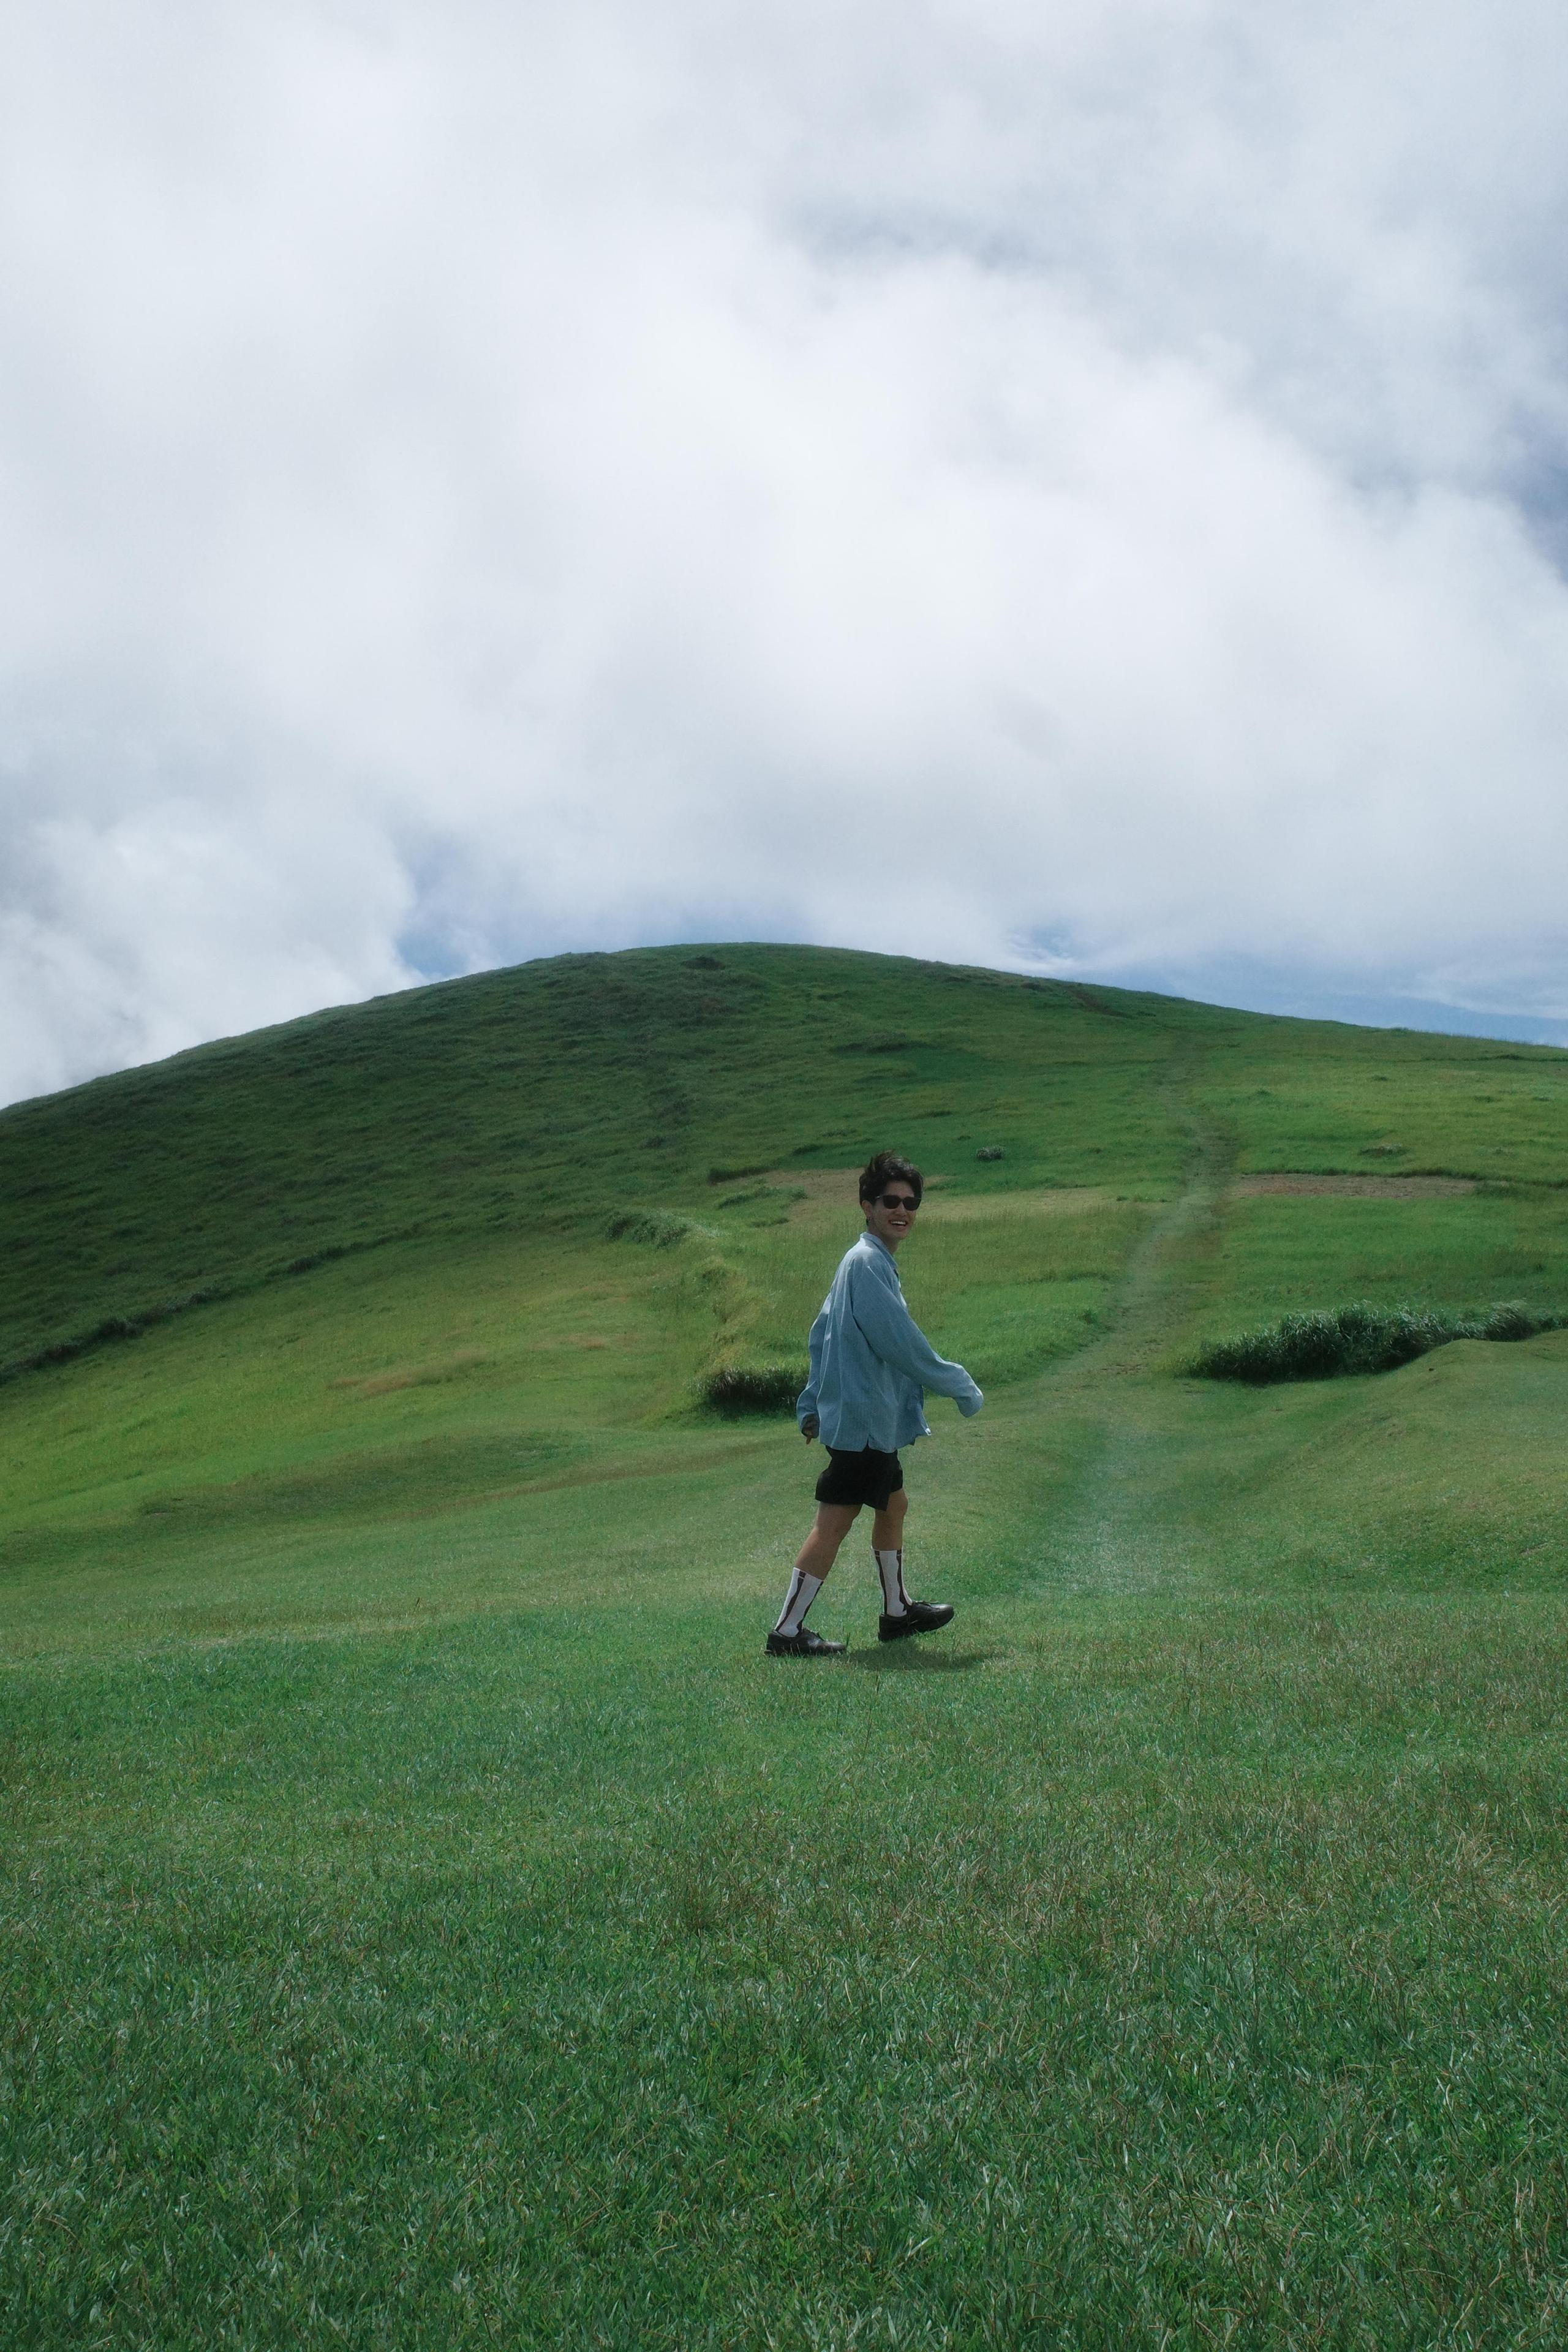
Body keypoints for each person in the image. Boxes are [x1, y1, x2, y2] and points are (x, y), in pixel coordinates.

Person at [767, 1150, 983, 1657]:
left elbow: (821, 1334)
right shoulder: (866, 1264)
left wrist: (811, 1406)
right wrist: (960, 1385)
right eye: (891, 1201)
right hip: (864, 1423)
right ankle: (788, 1632)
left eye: (911, 1203)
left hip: (866, 1420)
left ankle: (896, 1612)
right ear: (867, 1205)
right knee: (834, 1523)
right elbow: (901, 1344)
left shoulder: (864, 1261)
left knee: (894, 1503)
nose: (902, 1210)